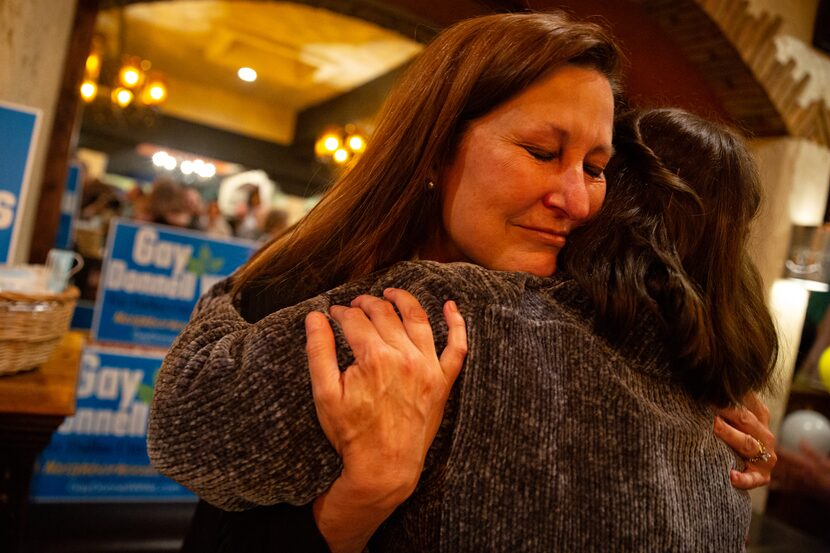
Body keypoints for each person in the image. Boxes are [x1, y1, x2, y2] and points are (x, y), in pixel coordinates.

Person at [147, 12, 777, 552]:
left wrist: (697, 391)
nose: (577, 200)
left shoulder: (549, 320)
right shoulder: (335, 294)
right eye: (540, 151)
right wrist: (362, 496)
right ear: (436, 148)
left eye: (594, 167)